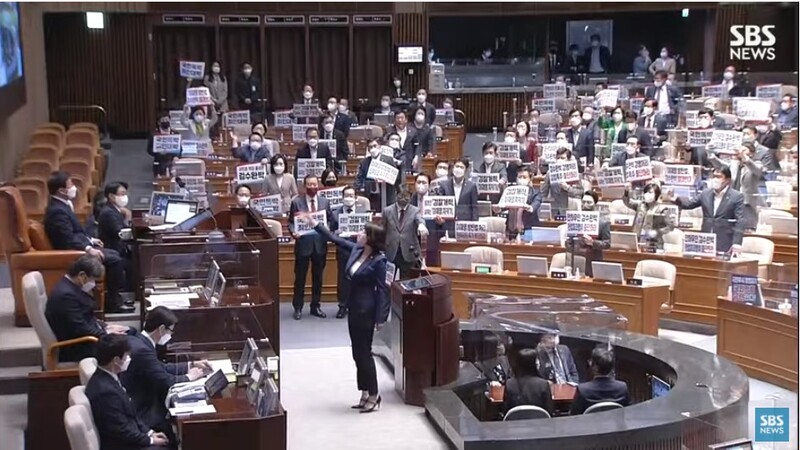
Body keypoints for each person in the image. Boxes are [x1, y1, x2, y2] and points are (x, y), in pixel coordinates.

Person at [302, 214, 389, 413]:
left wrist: (380, 318)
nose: (359, 234)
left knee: (365, 354)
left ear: (370, 238)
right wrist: (315, 224)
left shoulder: (379, 262)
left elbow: (383, 291)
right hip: (353, 308)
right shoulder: (357, 250)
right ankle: (364, 392)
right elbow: (335, 239)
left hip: (366, 311)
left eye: (363, 233)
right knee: (356, 353)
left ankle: (375, 395)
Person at [44, 171, 131, 313]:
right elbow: (67, 239)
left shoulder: (63, 205)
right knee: (114, 259)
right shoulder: (57, 211)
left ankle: (114, 297)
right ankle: (113, 303)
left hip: (77, 246)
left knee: (113, 253)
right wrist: (88, 248)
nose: (74, 188)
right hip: (70, 252)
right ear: (61, 190)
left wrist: (90, 239)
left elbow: (75, 232)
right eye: (70, 184)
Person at [121, 307, 209, 436]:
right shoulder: (143, 350)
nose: (171, 335)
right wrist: (189, 377)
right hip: (143, 411)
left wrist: (191, 364)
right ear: (161, 329)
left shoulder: (140, 340)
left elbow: (160, 367)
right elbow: (166, 381)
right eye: (170, 331)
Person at [86, 335, 171, 450]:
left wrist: (149, 432)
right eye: (126, 356)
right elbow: (121, 430)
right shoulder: (105, 392)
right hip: (121, 445)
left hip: (129, 437)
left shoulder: (110, 377)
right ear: (116, 360)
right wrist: (149, 440)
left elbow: (131, 415)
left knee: (168, 438)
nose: (129, 359)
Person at [45, 255, 129, 362]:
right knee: (132, 344)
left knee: (131, 332)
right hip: (78, 348)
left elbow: (85, 319)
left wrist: (106, 327)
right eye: (93, 280)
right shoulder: (66, 296)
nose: (94, 285)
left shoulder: (69, 288)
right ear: (82, 275)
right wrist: (107, 334)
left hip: (86, 339)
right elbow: (80, 329)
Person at [288, 175, 333, 320]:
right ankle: (298, 307)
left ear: (318, 185)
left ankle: (315, 306)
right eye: (309, 184)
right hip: (303, 245)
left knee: (318, 278)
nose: (312, 187)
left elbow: (331, 221)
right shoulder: (296, 202)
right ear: (304, 186)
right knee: (300, 278)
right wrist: (292, 231)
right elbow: (290, 222)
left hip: (320, 245)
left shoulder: (325, 202)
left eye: (315, 184)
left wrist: (328, 228)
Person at [673, 167, 744, 253]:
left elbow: (740, 221)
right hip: (706, 240)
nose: (715, 179)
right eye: (714, 176)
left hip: (725, 241)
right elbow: (688, 204)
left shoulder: (736, 197)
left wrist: (736, 243)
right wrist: (675, 198)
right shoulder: (705, 193)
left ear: (727, 180)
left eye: (719, 177)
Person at [708, 143, 764, 231]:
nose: (740, 151)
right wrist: (710, 153)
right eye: (740, 149)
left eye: (744, 150)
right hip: (731, 201)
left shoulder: (757, 164)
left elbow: (756, 169)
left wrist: (744, 157)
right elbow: (719, 165)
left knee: (747, 230)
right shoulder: (733, 164)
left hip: (747, 204)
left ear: (752, 153)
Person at [383, 187, 427, 279]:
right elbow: (383, 229)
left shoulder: (415, 210)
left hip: (408, 251)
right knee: (387, 281)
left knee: (407, 282)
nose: (403, 198)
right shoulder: (387, 211)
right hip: (391, 251)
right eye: (401, 196)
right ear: (396, 195)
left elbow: (419, 219)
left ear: (410, 197)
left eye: (406, 196)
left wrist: (421, 225)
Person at [570, 347, 630, 415]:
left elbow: (574, 416)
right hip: (614, 425)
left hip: (590, 425)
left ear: (595, 367)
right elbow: (627, 412)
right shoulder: (622, 387)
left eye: (591, 361)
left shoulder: (583, 389)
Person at [330, 185, 361, 318]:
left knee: (358, 278)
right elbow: (330, 232)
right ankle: (342, 306)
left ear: (356, 198)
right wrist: (336, 233)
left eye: (351, 196)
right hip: (343, 250)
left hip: (359, 250)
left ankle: (356, 305)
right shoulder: (335, 213)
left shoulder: (363, 212)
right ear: (342, 198)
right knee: (343, 279)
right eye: (346, 196)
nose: (348, 198)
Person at [566, 191, 610, 277]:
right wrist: (568, 264)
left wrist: (593, 242)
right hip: (577, 259)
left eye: (589, 202)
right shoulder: (575, 219)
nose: (585, 205)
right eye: (583, 202)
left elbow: (607, 243)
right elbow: (569, 243)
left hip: (593, 260)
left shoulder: (603, 222)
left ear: (595, 204)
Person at [502, 348, 554, 417]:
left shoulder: (509, 384)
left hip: (514, 425)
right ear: (534, 364)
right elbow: (550, 411)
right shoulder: (543, 384)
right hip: (540, 425)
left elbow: (505, 411)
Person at [623, 183, 675, 249]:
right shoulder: (640, 205)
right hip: (638, 238)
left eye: (650, 192)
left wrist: (657, 232)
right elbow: (628, 202)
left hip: (654, 242)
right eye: (646, 192)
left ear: (656, 194)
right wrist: (626, 192)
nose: (647, 194)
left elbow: (670, 226)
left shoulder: (662, 209)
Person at [354, 138, 401, 210]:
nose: (373, 148)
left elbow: (396, 177)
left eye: (375, 146)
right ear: (368, 150)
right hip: (372, 195)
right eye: (370, 147)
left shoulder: (388, 159)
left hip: (387, 193)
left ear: (379, 146)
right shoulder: (364, 162)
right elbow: (360, 178)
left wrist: (386, 179)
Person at [540, 148, 584, 218]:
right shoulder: (550, 173)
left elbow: (580, 193)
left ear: (569, 160)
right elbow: (543, 192)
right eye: (558, 158)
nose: (560, 160)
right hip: (554, 209)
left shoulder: (575, 174)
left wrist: (568, 188)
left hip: (570, 208)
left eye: (563, 158)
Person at [438, 158, 479, 229]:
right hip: (448, 224)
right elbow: (440, 204)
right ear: (453, 167)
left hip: (465, 224)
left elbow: (474, 207)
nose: (458, 169)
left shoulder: (471, 186)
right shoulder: (444, 185)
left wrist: (474, 225)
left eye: (461, 167)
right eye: (457, 166)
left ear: (465, 170)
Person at [411, 173, 442, 266]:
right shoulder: (410, 199)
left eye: (424, 182)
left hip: (431, 237)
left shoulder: (436, 199)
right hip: (414, 237)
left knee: (432, 266)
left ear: (429, 185)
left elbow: (443, 222)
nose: (421, 185)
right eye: (419, 182)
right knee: (415, 268)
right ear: (415, 184)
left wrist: (440, 221)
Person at [503, 166, 541, 239]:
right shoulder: (510, 191)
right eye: (519, 177)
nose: (521, 179)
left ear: (530, 179)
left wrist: (530, 207)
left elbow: (537, 202)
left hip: (528, 229)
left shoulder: (535, 193)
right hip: (511, 230)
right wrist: (498, 209)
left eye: (524, 177)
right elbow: (503, 205)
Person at [97, 181, 131, 257]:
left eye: (125, 194)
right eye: (122, 194)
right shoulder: (108, 213)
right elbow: (121, 233)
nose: (125, 197)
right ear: (111, 196)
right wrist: (128, 219)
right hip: (114, 252)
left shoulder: (115, 209)